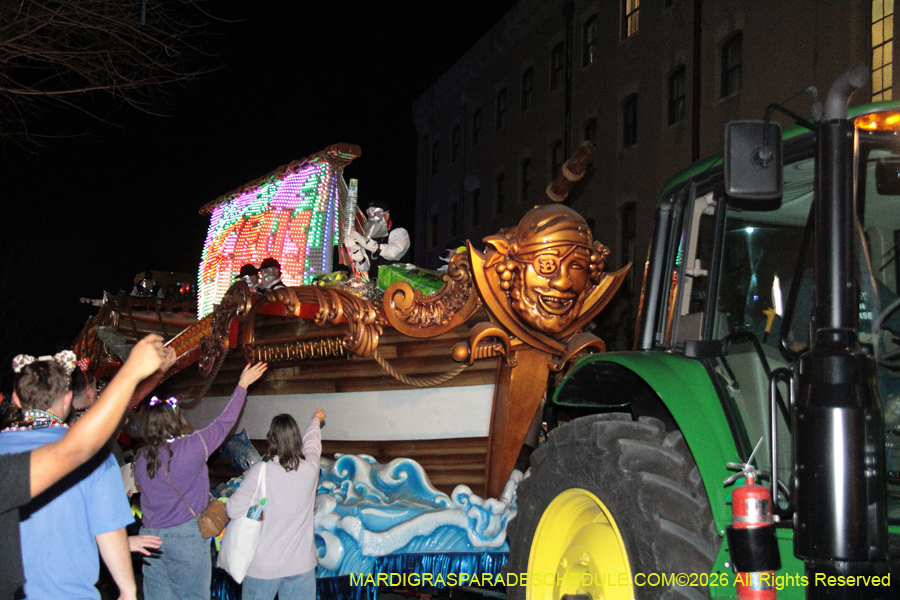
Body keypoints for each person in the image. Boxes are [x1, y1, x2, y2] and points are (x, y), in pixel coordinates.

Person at [0, 336, 173, 600]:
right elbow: (108, 528)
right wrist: (127, 590)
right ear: (68, 398)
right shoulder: (94, 457)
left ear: (16, 398)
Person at [134, 361, 268, 600]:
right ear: (176, 419)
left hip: (150, 539)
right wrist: (242, 384)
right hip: (185, 537)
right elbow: (224, 422)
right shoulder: (192, 446)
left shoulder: (142, 457)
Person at [226, 410, 325, 600]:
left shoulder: (260, 471)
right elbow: (313, 445)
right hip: (301, 565)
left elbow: (232, 509)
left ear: (271, 439)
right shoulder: (310, 469)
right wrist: (315, 420)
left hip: (264, 566)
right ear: (297, 440)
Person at [344, 200, 410, 281]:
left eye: (375, 214)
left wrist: (370, 245)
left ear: (386, 215)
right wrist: (355, 250)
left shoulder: (399, 232)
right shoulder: (369, 238)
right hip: (376, 285)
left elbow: (393, 253)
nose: (372, 218)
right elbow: (365, 267)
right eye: (369, 214)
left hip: (397, 284)